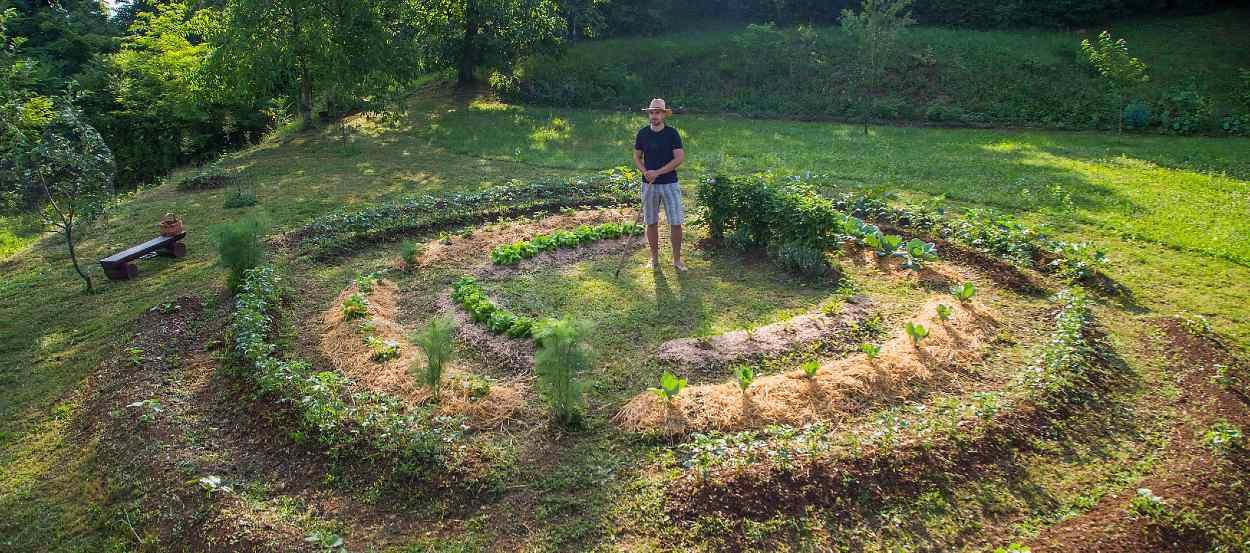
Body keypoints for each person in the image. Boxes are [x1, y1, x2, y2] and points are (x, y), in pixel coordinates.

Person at [633, 98, 686, 271]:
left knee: (676, 222)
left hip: (669, 184)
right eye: (651, 112)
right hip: (649, 185)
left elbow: (679, 158)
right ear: (649, 114)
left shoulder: (672, 134)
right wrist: (645, 172)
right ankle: (654, 259)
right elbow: (637, 157)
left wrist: (658, 172)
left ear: (664, 114)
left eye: (657, 112)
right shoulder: (642, 133)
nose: (654, 115)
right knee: (651, 222)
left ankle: (677, 260)